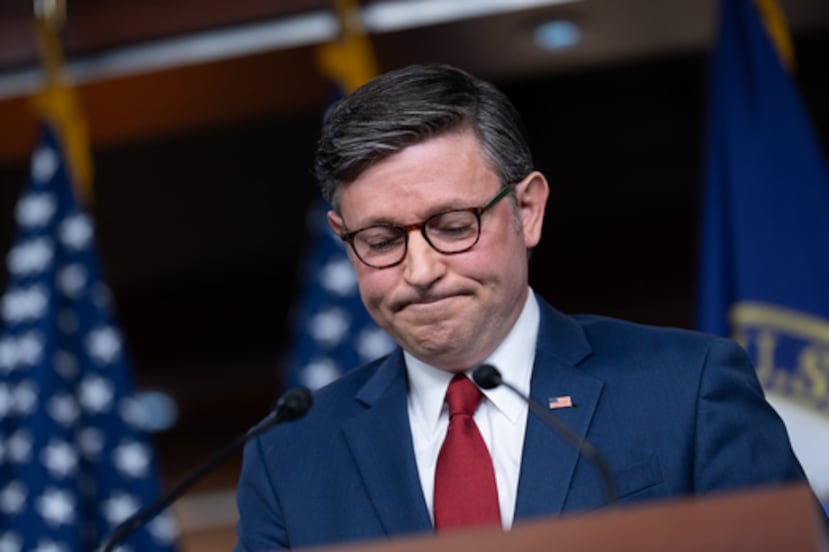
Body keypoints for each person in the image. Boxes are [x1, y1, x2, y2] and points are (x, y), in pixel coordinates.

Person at [234, 64, 820, 551]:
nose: (421, 271)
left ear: (528, 210)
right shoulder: (289, 455)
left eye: (453, 226)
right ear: (344, 238)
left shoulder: (688, 389)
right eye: (382, 241)